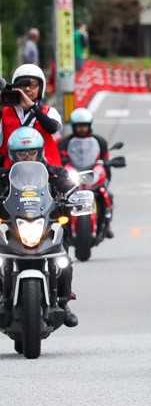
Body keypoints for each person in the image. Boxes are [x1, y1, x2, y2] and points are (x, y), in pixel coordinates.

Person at [0, 127, 77, 327]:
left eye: (31, 152)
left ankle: (63, 302)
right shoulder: (3, 176)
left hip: (45, 228)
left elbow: (70, 187)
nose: (27, 157)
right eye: (21, 153)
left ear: (40, 152)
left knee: (64, 262)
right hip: (13, 228)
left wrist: (73, 197)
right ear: (12, 154)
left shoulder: (54, 173)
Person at [58, 107, 115, 238]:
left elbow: (105, 157)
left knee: (108, 194)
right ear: (73, 127)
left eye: (84, 126)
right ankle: (62, 224)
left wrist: (106, 162)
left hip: (92, 173)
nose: (82, 129)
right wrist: (64, 162)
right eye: (79, 126)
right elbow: (59, 159)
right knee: (60, 199)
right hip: (75, 175)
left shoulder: (100, 141)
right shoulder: (64, 143)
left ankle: (107, 222)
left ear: (90, 125)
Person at [0, 64, 62, 167]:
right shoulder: (5, 112)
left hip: (45, 171)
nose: (27, 89)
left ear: (40, 88)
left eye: (32, 85)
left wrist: (33, 108)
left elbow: (52, 128)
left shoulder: (48, 111)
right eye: (22, 85)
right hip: (12, 173)